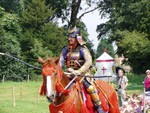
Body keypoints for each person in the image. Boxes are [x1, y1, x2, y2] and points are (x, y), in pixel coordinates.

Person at [58, 26, 103, 113]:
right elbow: (60, 61)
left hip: (82, 75)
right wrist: (57, 70)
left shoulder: (82, 49)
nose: (69, 38)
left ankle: (98, 107)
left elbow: (88, 62)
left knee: (90, 88)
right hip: (69, 74)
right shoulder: (65, 49)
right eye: (69, 36)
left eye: (72, 36)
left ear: (77, 37)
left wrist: (78, 71)